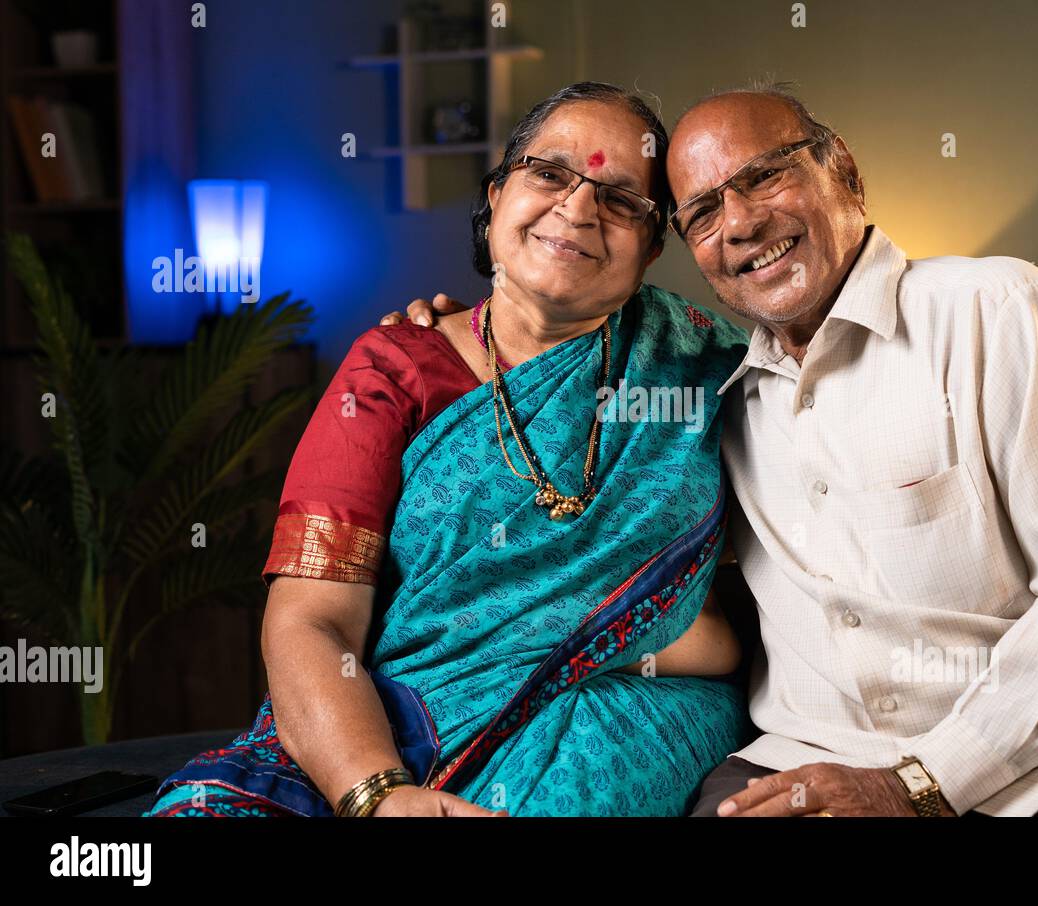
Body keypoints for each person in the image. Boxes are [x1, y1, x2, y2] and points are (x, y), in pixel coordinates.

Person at [395, 84, 1038, 817]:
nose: (742, 222)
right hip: (814, 756)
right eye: (703, 213)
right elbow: (556, 461)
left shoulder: (997, 311)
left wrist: (922, 784)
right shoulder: (711, 393)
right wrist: (454, 340)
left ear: (847, 175)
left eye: (764, 175)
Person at [142, 82, 752, 818]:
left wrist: (679, 637)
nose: (579, 208)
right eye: (550, 173)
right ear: (497, 198)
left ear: (653, 246)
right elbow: (313, 620)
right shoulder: (392, 372)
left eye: (622, 199)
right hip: (389, 733)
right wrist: (378, 792)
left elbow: (789, 579)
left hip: (620, 718)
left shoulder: (709, 370)